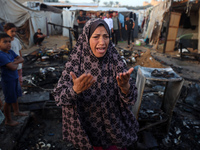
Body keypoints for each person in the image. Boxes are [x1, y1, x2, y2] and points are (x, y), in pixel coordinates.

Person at [53, 18, 139, 150]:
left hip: (114, 130)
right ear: (86, 38)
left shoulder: (116, 60)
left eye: (106, 36)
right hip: (87, 131)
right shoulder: (75, 62)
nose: (102, 42)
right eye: (96, 37)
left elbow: (132, 98)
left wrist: (125, 87)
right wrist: (74, 90)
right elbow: (59, 97)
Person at [0, 33, 26, 126]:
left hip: (14, 78)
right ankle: (8, 120)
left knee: (15, 97)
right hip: (8, 81)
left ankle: (16, 111)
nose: (8, 44)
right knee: (8, 100)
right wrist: (15, 63)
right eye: (5, 42)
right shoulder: (1, 55)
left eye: (9, 41)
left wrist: (14, 62)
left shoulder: (10, 52)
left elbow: (21, 59)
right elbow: (13, 68)